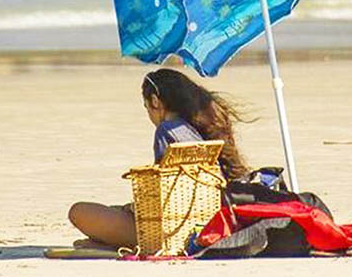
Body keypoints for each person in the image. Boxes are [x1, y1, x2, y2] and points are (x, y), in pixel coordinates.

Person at [68, 68, 250, 248]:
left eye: (147, 107)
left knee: (79, 211)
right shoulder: (195, 129)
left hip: (174, 228)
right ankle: (107, 242)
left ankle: (118, 242)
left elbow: (166, 193)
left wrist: (135, 208)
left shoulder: (167, 130)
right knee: (113, 212)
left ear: (155, 101)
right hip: (206, 219)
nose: (149, 114)